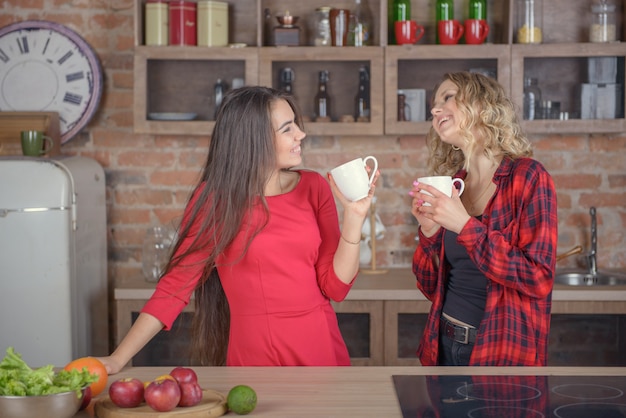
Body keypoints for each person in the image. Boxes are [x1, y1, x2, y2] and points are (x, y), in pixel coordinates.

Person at [99, 86, 379, 372]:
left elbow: (336, 286)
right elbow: (174, 288)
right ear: (254, 139)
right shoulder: (215, 200)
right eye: (287, 129)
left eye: (295, 124)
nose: (300, 134)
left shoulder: (314, 187)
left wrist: (354, 218)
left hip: (320, 348)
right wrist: (117, 359)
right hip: (256, 354)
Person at [408, 72, 557, 366]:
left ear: (481, 105)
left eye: (448, 98)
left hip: (500, 350)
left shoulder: (527, 177)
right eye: (434, 105)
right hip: (444, 343)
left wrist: (465, 227)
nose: (435, 110)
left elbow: (538, 279)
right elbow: (430, 286)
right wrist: (428, 232)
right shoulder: (454, 185)